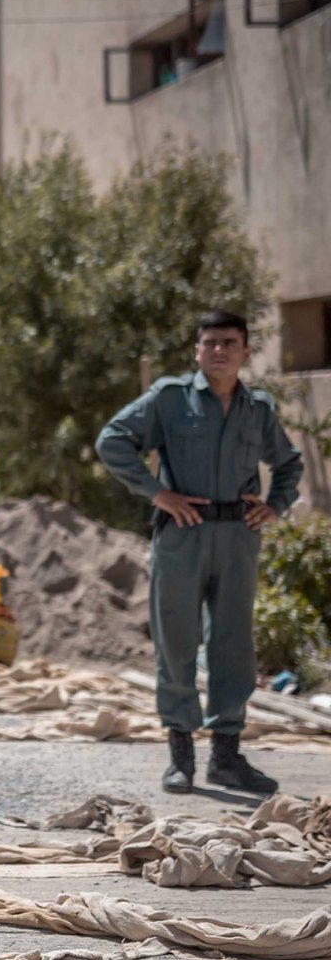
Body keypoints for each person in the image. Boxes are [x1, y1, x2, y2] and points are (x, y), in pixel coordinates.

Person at [96, 309, 304, 796]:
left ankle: (227, 759)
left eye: (229, 342)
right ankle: (181, 759)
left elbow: (289, 464)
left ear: (245, 352)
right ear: (197, 350)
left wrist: (274, 506)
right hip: (181, 536)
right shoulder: (170, 399)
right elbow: (113, 441)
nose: (218, 350)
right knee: (177, 641)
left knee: (233, 645)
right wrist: (155, 492)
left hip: (237, 537)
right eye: (209, 342)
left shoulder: (258, 409)